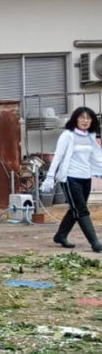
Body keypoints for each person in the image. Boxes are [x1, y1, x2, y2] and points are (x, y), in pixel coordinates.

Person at [41, 106, 102, 252]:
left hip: (85, 177)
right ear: (75, 119)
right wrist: (50, 176)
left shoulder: (90, 136)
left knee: (75, 209)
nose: (85, 120)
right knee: (81, 210)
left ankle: (61, 236)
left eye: (88, 118)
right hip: (70, 178)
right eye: (82, 117)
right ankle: (95, 243)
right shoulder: (67, 135)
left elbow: (95, 156)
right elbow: (58, 156)